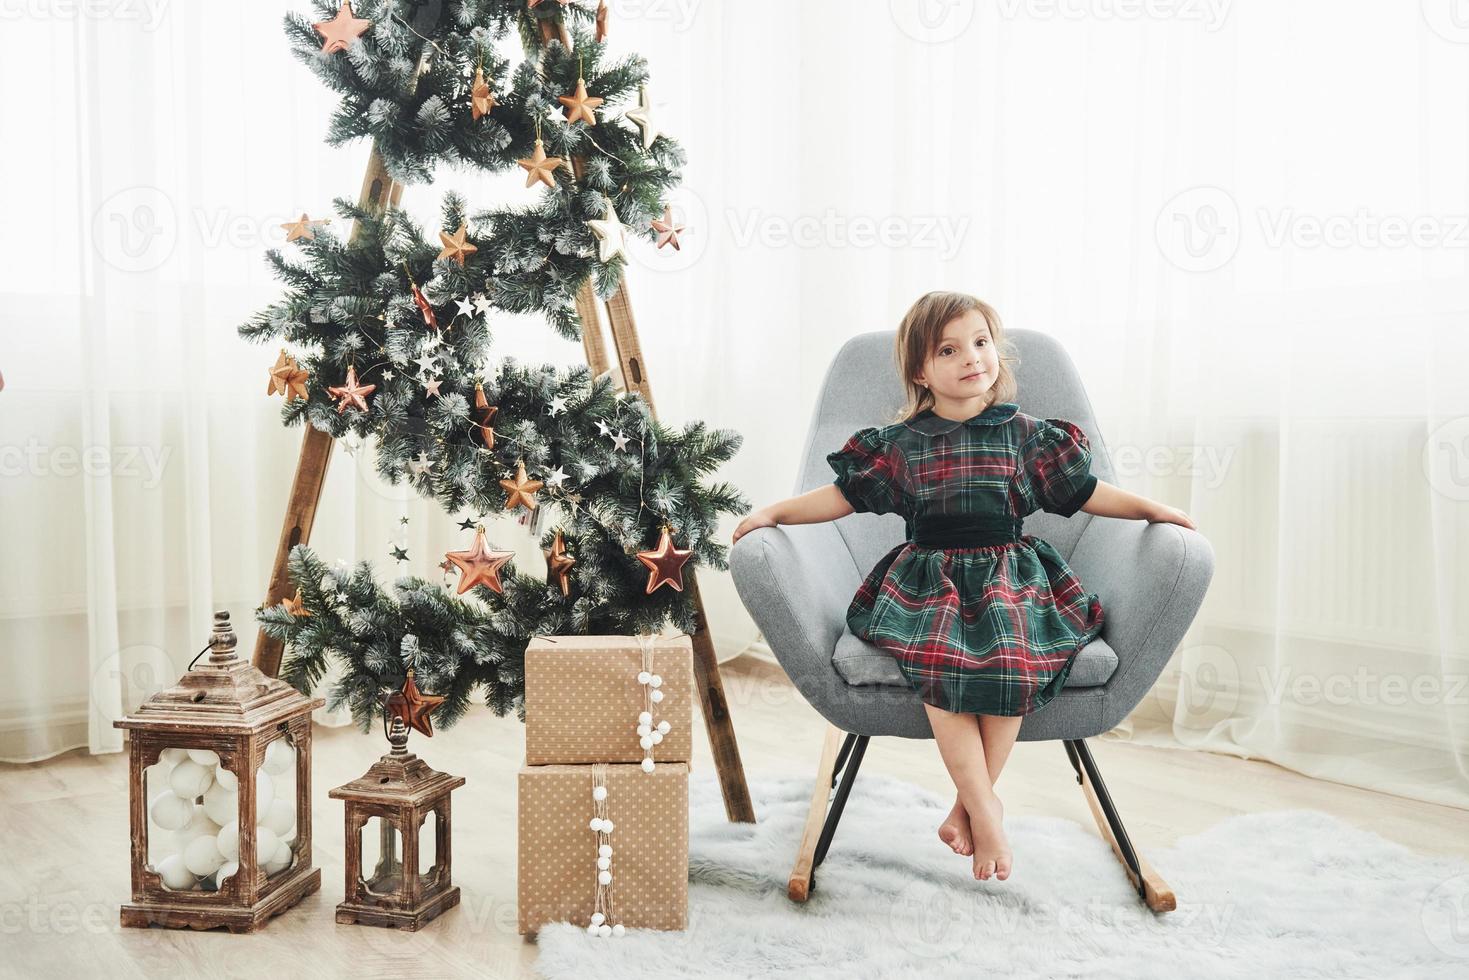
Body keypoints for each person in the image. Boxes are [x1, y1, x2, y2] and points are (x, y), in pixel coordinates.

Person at [731, 290, 1195, 883]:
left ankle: (970, 804)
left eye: (980, 343)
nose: (971, 357)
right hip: (930, 579)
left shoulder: (1027, 435)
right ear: (922, 372)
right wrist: (774, 513)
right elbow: (840, 498)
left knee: (1014, 659)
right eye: (949, 350)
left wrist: (1152, 509)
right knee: (940, 661)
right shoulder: (901, 447)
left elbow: (1088, 494)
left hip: (1012, 574)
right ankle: (986, 810)